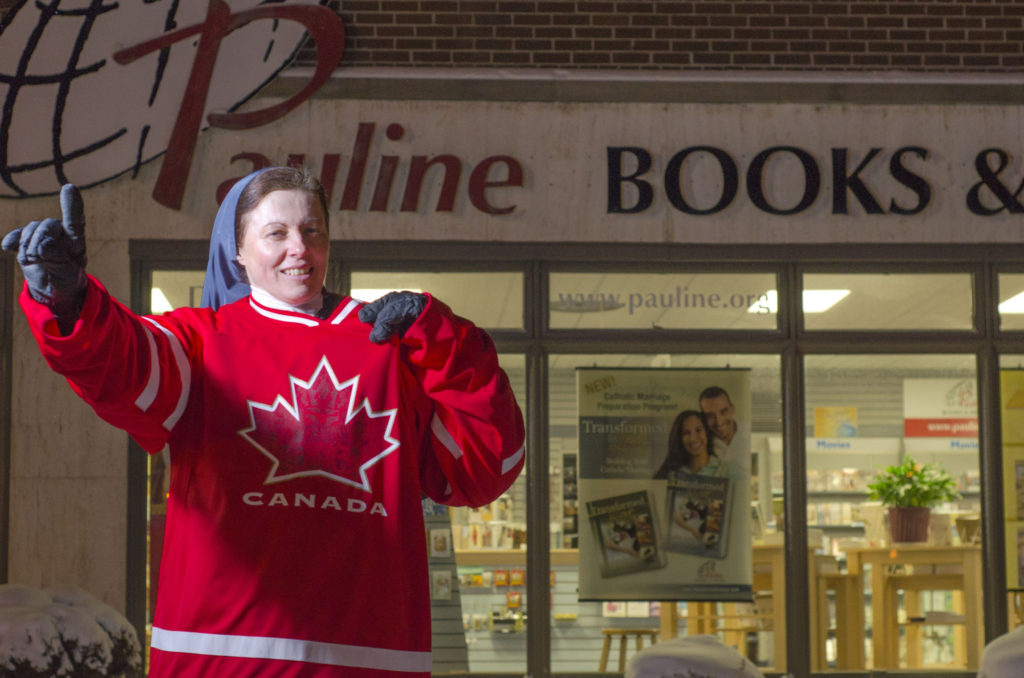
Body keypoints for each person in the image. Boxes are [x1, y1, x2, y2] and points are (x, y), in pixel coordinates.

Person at [2, 167, 526, 677]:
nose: (298, 248)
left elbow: (487, 464)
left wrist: (443, 337)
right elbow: (123, 362)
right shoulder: (199, 342)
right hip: (220, 657)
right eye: (276, 233)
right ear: (239, 254)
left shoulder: (390, 347)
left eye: (312, 231)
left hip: (368, 658)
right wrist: (68, 303)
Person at [653, 409, 737, 480]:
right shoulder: (669, 475)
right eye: (686, 433)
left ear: (706, 433)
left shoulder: (729, 471)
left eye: (698, 430)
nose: (693, 438)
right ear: (680, 438)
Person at [698, 385, 749, 462]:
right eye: (710, 416)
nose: (719, 422)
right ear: (703, 417)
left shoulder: (750, 433)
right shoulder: (699, 444)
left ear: (732, 409)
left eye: (723, 412)